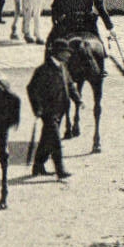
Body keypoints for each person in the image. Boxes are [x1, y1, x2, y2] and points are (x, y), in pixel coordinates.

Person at [26, 41, 74, 180]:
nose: (69, 54)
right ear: (58, 53)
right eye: (66, 52)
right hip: (48, 111)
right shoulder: (43, 70)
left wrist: (78, 100)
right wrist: (37, 108)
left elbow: (70, 85)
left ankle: (38, 166)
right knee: (55, 141)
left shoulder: (63, 67)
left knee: (46, 139)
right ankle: (60, 170)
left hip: (61, 109)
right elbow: (31, 89)